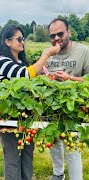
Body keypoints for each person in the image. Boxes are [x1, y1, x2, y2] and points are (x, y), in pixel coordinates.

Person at [0, 24, 60, 180]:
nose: (22, 42)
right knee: (12, 159)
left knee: (27, 157)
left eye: (23, 38)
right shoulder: (2, 62)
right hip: (9, 119)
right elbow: (24, 75)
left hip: (26, 116)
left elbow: (29, 81)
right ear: (7, 41)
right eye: (19, 38)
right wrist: (46, 54)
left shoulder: (20, 62)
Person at [45, 18, 89, 180]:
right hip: (51, 107)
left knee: (72, 147)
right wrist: (46, 79)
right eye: (52, 36)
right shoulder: (47, 53)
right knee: (54, 142)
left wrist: (70, 78)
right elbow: (39, 77)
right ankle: (58, 174)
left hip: (73, 108)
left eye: (60, 34)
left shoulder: (83, 51)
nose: (56, 38)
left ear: (69, 32)